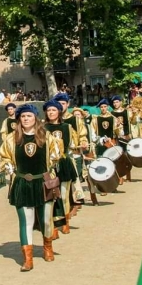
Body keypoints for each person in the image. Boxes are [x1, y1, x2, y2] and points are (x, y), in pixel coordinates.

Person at [0, 104, 62, 272]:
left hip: (43, 182)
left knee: (46, 220)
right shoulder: (12, 138)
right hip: (22, 183)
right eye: (23, 116)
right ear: (19, 119)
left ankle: (47, 247)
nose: (26, 119)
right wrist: (7, 165)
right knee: (26, 222)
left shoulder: (46, 136)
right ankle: (27, 258)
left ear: (35, 118)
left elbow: (57, 153)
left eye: (29, 116)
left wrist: (55, 156)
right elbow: (5, 156)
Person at [42, 100, 79, 235]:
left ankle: (65, 221)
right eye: (49, 110)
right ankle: (53, 226)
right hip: (48, 165)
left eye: (54, 110)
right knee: (51, 197)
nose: (51, 112)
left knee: (63, 195)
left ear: (59, 112)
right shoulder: (42, 128)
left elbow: (73, 144)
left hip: (64, 163)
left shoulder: (67, 127)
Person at [92, 99, 124, 185]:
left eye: (105, 106)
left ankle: (117, 179)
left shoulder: (113, 118)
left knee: (114, 162)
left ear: (108, 107)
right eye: (101, 107)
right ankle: (105, 183)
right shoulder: (95, 119)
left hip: (112, 143)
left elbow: (120, 133)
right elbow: (93, 133)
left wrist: (118, 126)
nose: (103, 108)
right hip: (101, 144)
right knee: (103, 163)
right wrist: (98, 140)